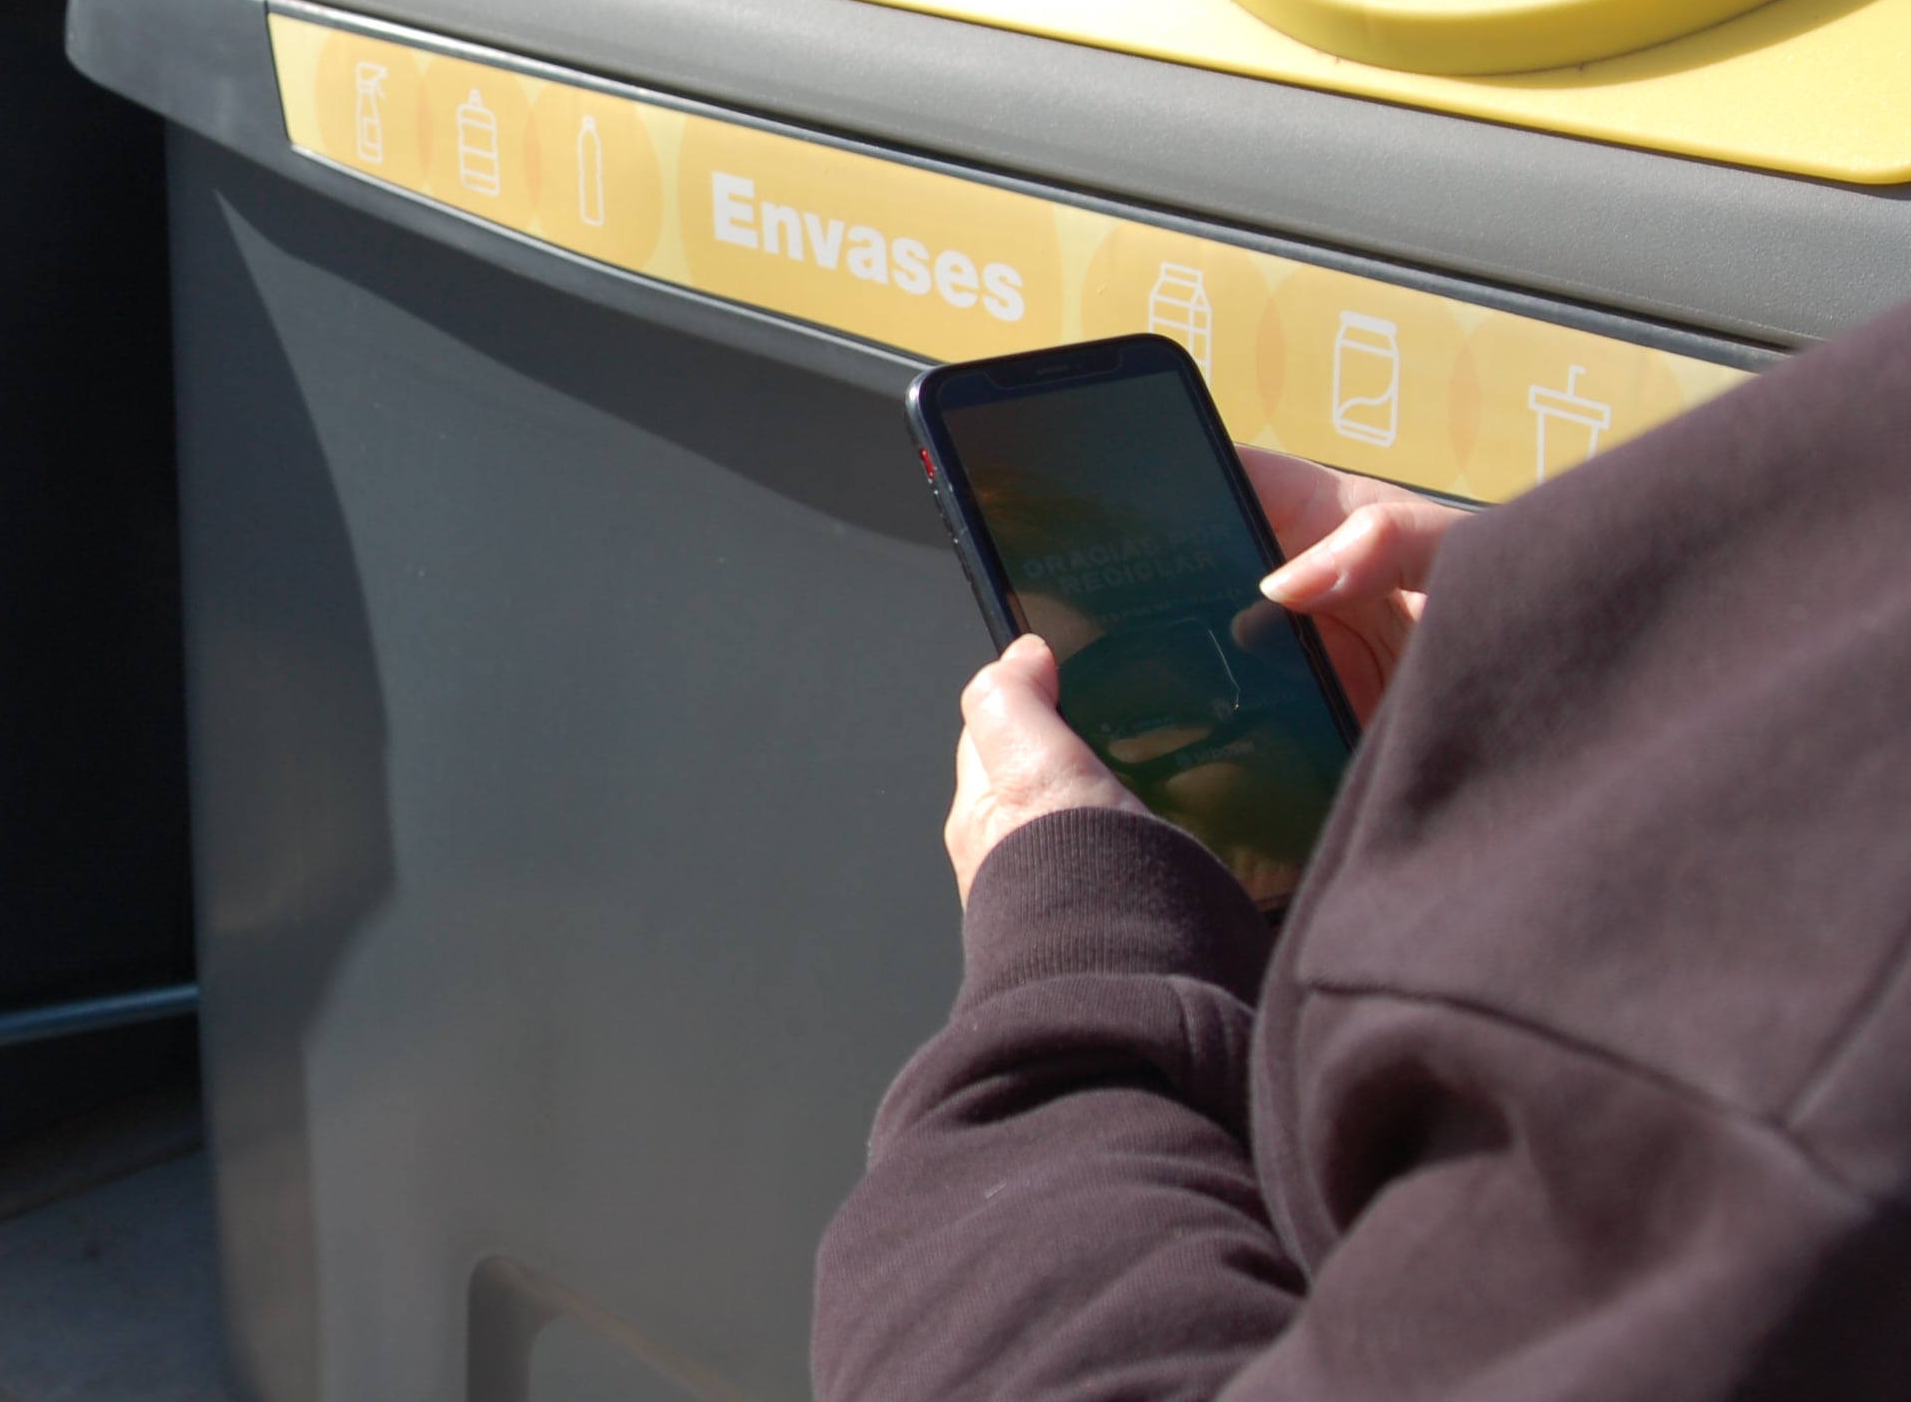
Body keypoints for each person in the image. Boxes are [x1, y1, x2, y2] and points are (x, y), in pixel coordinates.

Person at [813, 302, 1911, 1399]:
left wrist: (1068, 942)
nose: (1213, 709)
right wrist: (1538, 696)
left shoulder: (1808, 1097)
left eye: (1171, 687)